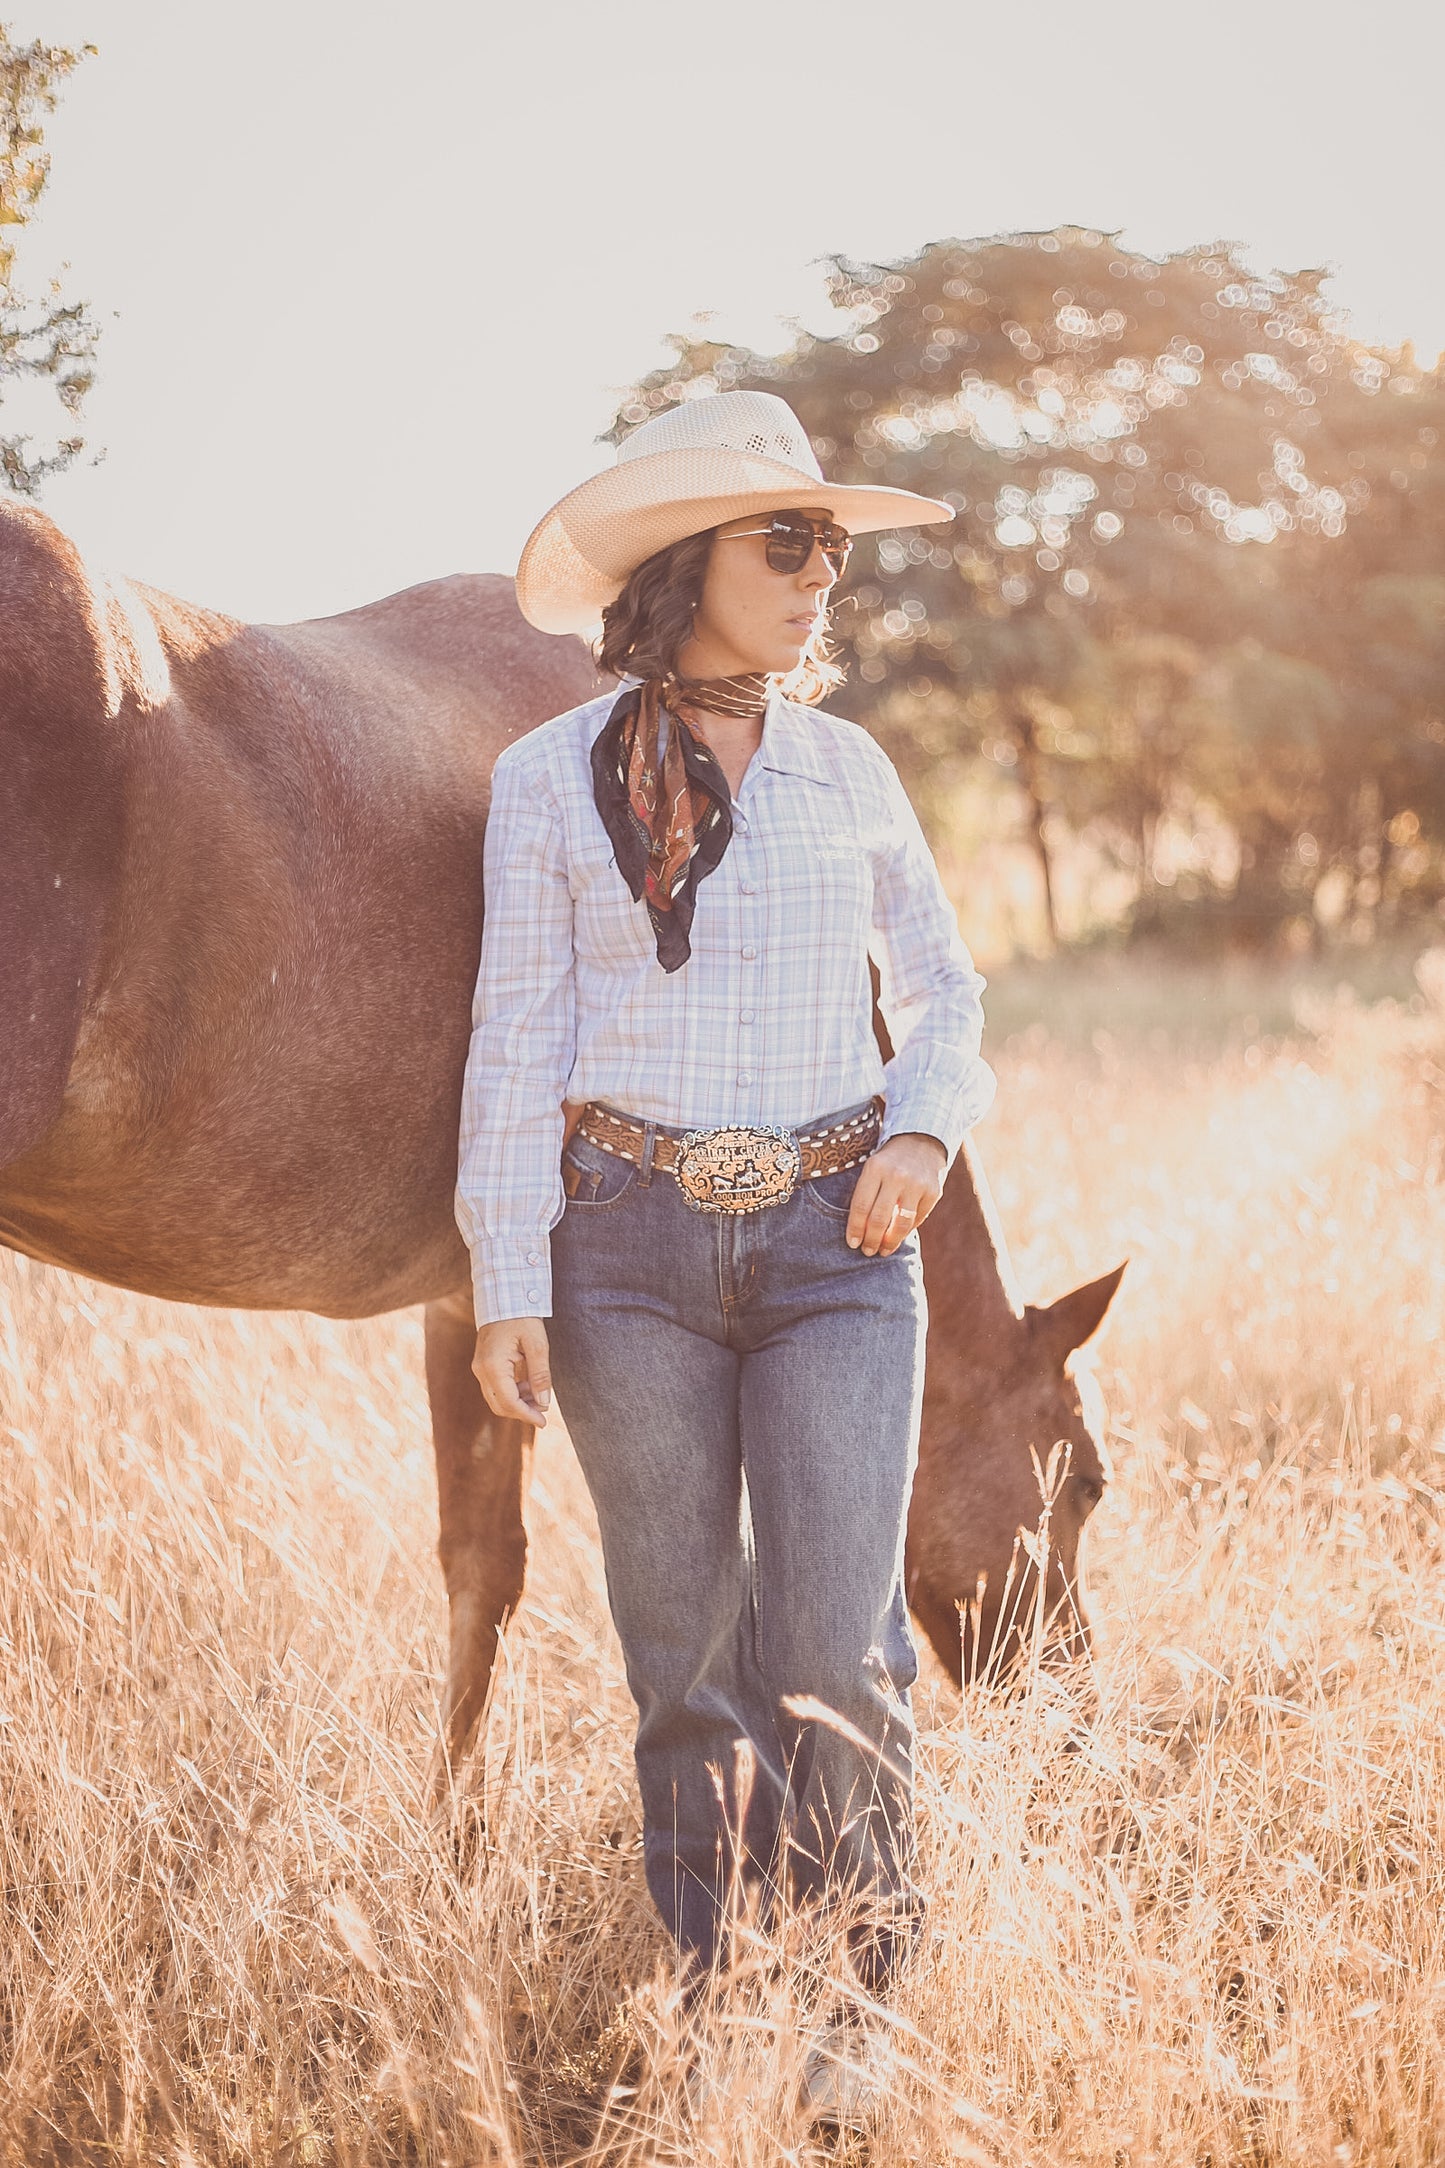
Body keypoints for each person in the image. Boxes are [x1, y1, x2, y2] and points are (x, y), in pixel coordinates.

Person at [455, 390, 995, 2116]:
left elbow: (949, 988)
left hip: (843, 1248)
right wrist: (507, 1277)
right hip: (625, 1253)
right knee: (683, 1659)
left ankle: (856, 2013)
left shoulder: (852, 770)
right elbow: (513, 1040)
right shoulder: (545, 781)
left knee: (835, 1652)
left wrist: (921, 1131)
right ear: (686, 562)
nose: (822, 570)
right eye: (789, 541)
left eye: (832, 545)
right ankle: (717, 2001)